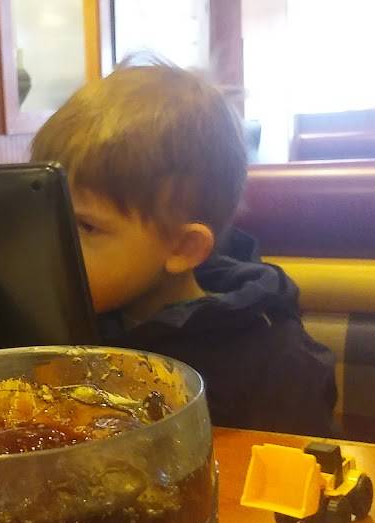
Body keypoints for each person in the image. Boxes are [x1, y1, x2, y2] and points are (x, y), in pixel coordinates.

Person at [30, 62, 338, 436]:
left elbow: (290, 468)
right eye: (49, 218)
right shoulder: (66, 327)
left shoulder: (273, 361)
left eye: (86, 226)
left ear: (182, 247)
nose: (50, 245)